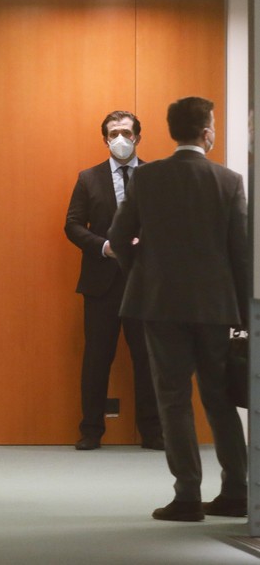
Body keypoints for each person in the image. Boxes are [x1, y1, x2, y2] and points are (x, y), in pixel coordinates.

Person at [108, 96, 248, 521]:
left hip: (159, 303)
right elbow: (240, 253)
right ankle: (236, 491)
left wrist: (143, 271)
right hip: (214, 307)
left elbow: (117, 237)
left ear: (171, 132)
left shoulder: (147, 178)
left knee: (173, 400)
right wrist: (243, 314)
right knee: (220, 399)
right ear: (207, 131)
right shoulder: (228, 181)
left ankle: (187, 495)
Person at [65, 111, 163, 451]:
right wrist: (103, 246)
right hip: (101, 282)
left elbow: (169, 223)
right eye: (112, 133)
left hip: (145, 282)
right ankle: (91, 430)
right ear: (105, 139)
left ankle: (152, 432)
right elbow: (73, 225)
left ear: (137, 136)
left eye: (125, 132)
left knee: (148, 359)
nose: (119, 138)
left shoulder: (155, 176)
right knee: (96, 358)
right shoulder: (88, 178)